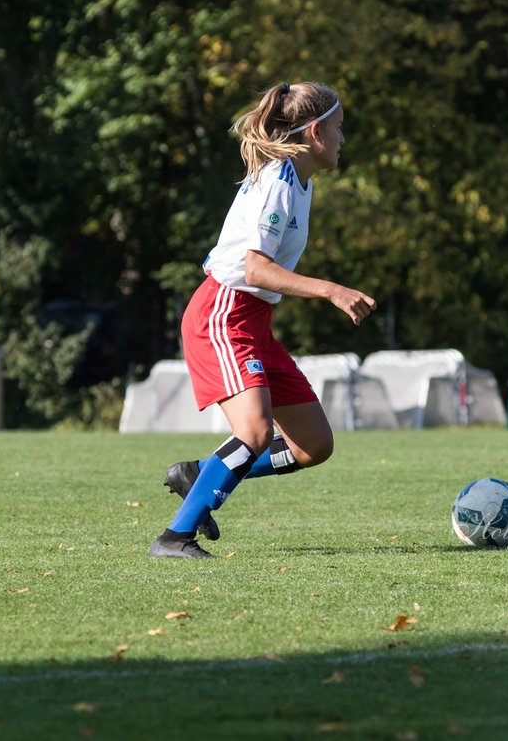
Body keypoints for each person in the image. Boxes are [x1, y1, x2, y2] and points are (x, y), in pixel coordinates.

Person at [148, 81, 376, 559]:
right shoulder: (278, 183)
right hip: (223, 314)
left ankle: (199, 474)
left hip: (253, 321)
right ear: (314, 132)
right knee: (253, 433)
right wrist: (331, 290)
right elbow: (254, 269)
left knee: (313, 444)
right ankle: (175, 538)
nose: (342, 139)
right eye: (338, 128)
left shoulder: (300, 181)